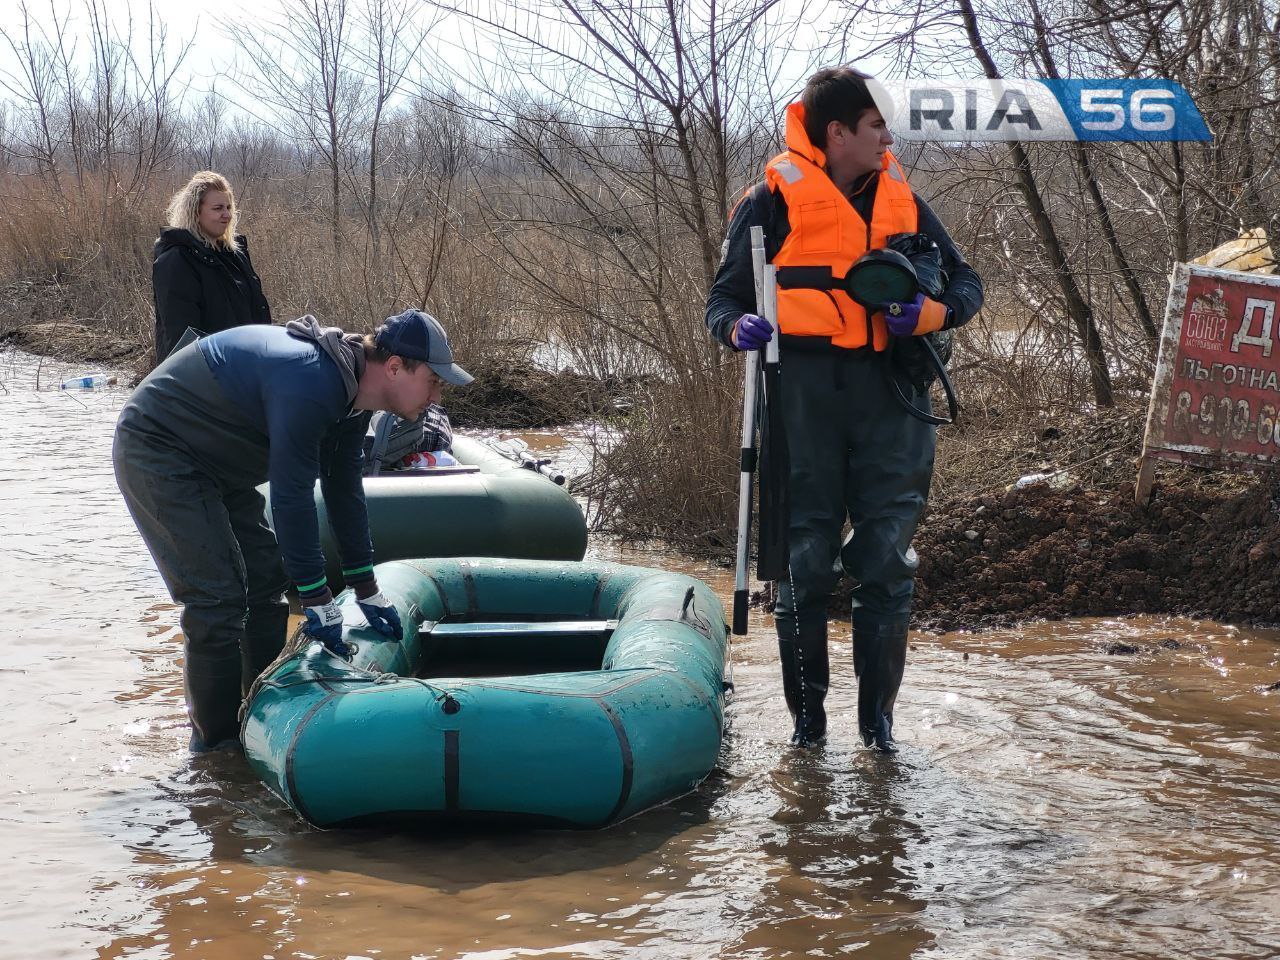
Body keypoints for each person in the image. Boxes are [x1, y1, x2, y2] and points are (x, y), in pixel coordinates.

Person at [705, 67, 984, 752]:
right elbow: (722, 301)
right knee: (804, 562)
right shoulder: (768, 200)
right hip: (803, 398)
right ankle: (808, 732)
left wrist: (932, 313)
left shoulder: (904, 199)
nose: (888, 137)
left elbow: (970, 283)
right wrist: (736, 329)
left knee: (887, 560)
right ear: (838, 133)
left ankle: (877, 730)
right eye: (876, 127)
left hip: (893, 394)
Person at [113, 309, 473, 752]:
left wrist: (366, 587)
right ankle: (216, 750)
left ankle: (259, 714)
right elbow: (291, 497)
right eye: (434, 382)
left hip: (221, 460)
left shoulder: (353, 399)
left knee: (265, 581)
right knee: (216, 599)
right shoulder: (311, 381)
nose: (437, 397)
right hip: (160, 447)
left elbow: (345, 493)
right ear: (396, 367)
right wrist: (319, 599)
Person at [153, 171, 272, 364]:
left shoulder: (235, 255)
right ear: (196, 212)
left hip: (247, 370)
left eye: (228, 207)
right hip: (205, 378)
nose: (226, 215)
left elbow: (256, 317)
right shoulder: (176, 260)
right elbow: (182, 336)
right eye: (218, 208)